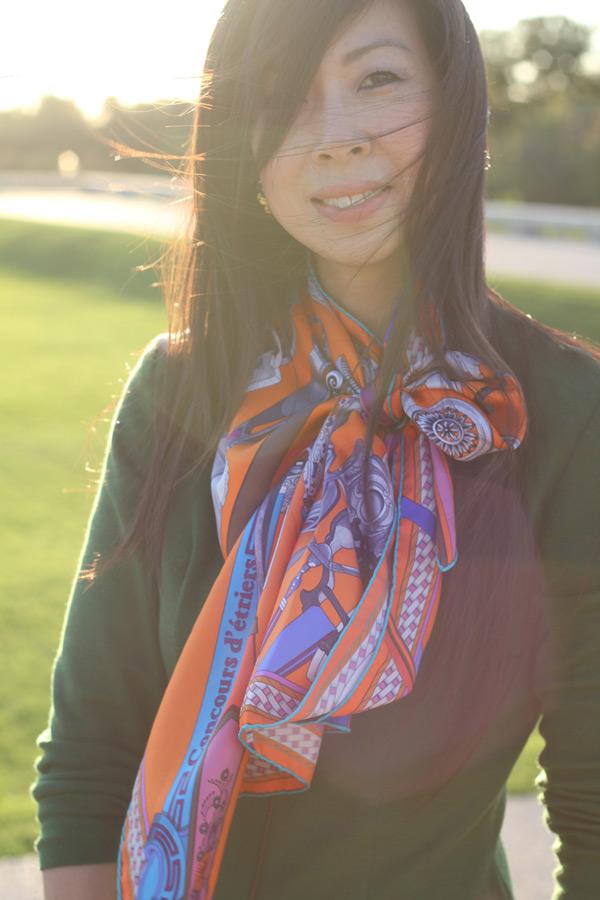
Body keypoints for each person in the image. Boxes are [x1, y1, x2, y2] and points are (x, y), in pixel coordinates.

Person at [34, 1, 600, 898]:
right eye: (282, 97)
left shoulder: (564, 415)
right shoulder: (183, 388)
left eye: (377, 80)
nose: (334, 138)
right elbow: (91, 751)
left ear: (455, 105)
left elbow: (594, 791)